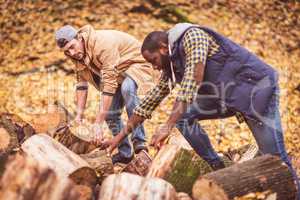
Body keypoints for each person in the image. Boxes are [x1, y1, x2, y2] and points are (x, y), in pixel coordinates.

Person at [101, 23, 300, 195]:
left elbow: (193, 80)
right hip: (227, 96)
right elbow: (150, 100)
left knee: (275, 159)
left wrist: (167, 125)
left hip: (257, 92)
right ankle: (217, 168)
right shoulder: (172, 62)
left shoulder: (192, 36)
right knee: (184, 116)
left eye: (153, 60)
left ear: (163, 48)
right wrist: (119, 138)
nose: (153, 67)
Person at [55, 25, 158, 164]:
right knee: (110, 114)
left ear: (79, 38)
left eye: (72, 47)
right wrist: (79, 116)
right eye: (66, 51)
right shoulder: (76, 55)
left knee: (127, 88)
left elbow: (109, 85)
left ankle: (140, 145)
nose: (71, 53)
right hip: (118, 74)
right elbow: (81, 85)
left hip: (136, 65)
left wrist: (98, 123)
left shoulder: (102, 44)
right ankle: (125, 153)